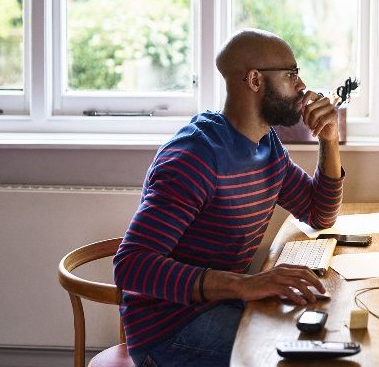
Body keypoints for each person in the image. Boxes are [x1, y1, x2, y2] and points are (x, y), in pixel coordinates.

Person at [113, 29, 344, 367]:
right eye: (292, 74)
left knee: (324, 335)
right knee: (300, 356)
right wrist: (245, 285)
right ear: (254, 80)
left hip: (222, 306)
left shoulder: (267, 146)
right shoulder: (195, 157)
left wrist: (329, 139)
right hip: (170, 331)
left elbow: (318, 213)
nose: (302, 86)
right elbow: (131, 265)